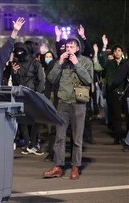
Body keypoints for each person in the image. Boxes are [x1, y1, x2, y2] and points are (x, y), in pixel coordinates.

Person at [44, 38, 93, 180]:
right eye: (67, 46)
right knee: (59, 137)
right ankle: (58, 166)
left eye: (72, 46)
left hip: (79, 103)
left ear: (78, 48)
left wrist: (76, 64)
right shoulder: (61, 61)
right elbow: (51, 78)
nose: (69, 48)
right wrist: (59, 62)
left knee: (77, 138)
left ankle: (75, 167)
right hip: (63, 102)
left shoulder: (85, 61)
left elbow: (89, 80)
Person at [10, 42, 45, 155]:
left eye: (21, 51)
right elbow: (15, 82)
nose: (19, 53)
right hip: (21, 95)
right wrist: (14, 72)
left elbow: (41, 80)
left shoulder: (35, 64)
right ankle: (27, 143)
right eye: (17, 51)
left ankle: (33, 143)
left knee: (36, 120)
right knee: (23, 120)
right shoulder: (16, 64)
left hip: (33, 94)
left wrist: (37, 94)